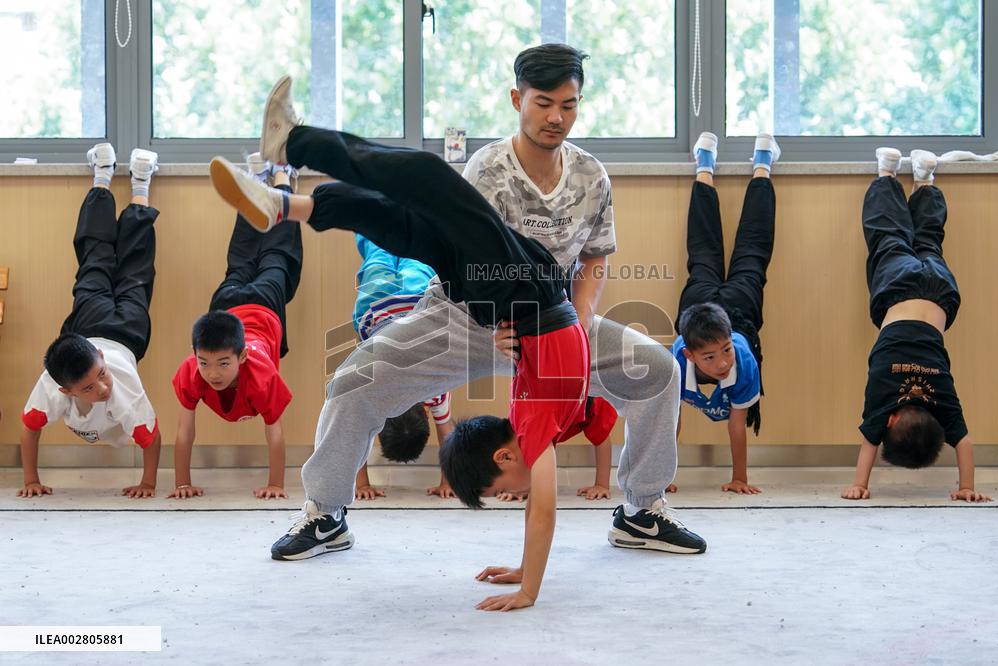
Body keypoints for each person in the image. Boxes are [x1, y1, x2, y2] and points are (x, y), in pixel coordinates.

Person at [207, 65, 705, 609]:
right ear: (518, 99)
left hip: (549, 318)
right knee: (358, 373)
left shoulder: (591, 176)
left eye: (569, 104)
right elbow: (460, 235)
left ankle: (641, 512)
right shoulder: (490, 165)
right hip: (469, 310)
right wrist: (497, 326)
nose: (557, 116)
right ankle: (325, 515)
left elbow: (595, 261)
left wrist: (582, 322)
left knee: (657, 371)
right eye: (544, 103)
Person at [841, 148, 991, 503]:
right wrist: (860, 484)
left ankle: (925, 180)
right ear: (890, 423)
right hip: (897, 291)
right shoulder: (882, 400)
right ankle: (886, 174)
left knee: (928, 242)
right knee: (887, 237)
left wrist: (966, 486)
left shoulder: (944, 403)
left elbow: (965, 443)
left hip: (940, 292)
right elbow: (868, 442)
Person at [19, 144, 162, 499]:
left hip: (89, 321)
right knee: (135, 266)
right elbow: (29, 427)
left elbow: (151, 437)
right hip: (129, 331)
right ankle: (140, 184)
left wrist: (148, 484)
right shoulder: (53, 384)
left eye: (101, 376)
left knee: (95, 258)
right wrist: (30, 480)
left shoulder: (119, 388)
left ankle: (103, 175)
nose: (103, 389)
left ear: (98, 357)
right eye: (88, 389)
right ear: (64, 390)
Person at [169, 161, 302, 500]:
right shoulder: (193, 369)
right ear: (195, 356)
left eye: (223, 364)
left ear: (242, 357)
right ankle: (271, 178)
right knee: (268, 253)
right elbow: (185, 430)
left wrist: (276, 484)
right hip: (231, 307)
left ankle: (270, 178)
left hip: (255, 305)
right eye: (205, 363)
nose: (212, 373)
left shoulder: (260, 375)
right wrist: (182, 482)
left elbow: (274, 431)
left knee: (260, 254)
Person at [670, 131, 779, 494]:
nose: (722, 364)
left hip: (706, 306)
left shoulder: (741, 359)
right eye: (712, 358)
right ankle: (761, 163)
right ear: (689, 353)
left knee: (703, 249)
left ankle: (706, 163)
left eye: (725, 353)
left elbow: (737, 423)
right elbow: (671, 419)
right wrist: (664, 476)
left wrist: (739, 478)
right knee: (752, 248)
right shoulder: (677, 360)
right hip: (737, 304)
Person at [350, 234, 455, 500]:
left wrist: (448, 481)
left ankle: (408, 212)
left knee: (415, 250)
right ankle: (369, 208)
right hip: (375, 307)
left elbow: (448, 435)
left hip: (417, 301)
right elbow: (356, 433)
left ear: (426, 412)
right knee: (377, 248)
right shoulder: (374, 395)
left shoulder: (436, 388)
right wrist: (361, 484)